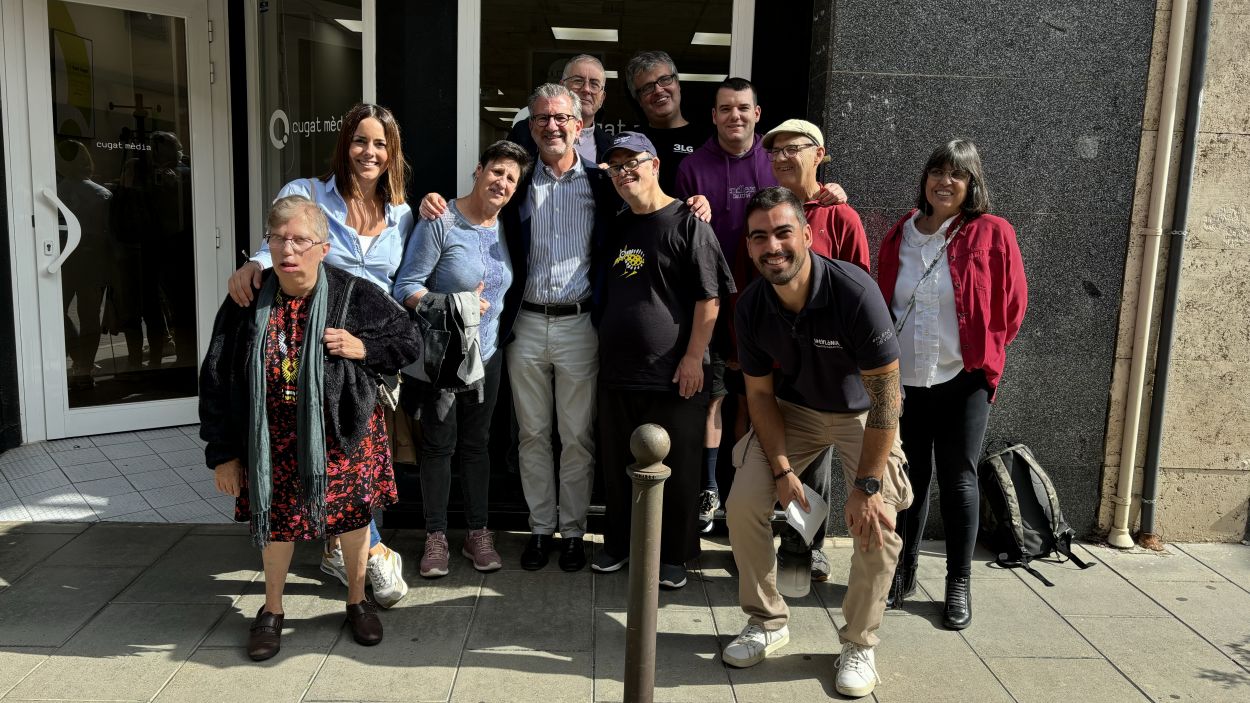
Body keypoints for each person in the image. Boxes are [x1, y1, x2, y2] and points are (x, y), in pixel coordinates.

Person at [200, 196, 420, 661]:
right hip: (272, 441)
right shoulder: (246, 300)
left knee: (354, 521)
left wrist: (363, 348)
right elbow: (216, 375)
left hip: (344, 437)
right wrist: (223, 453)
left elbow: (407, 340)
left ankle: (357, 601)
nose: (288, 250)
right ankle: (272, 610)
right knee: (277, 524)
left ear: (323, 247)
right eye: (278, 239)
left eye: (300, 240)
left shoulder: (352, 293)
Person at [722, 187, 912, 698]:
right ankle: (766, 621)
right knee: (743, 503)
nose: (772, 246)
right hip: (796, 411)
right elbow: (760, 396)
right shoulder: (752, 305)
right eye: (760, 237)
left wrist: (868, 486)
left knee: (878, 519)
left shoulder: (854, 292)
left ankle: (859, 643)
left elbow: (887, 401)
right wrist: (783, 471)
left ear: (807, 235)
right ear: (749, 245)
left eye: (783, 232)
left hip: (863, 414)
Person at [226, 103, 414, 608]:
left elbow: (402, 283)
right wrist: (250, 265)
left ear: (392, 153)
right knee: (314, 444)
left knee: (359, 455)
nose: (369, 152)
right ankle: (365, 553)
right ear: (344, 144)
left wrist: (372, 347)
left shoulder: (401, 213)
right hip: (309, 342)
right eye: (360, 140)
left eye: (380, 144)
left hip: (367, 353)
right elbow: (276, 247)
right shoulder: (307, 193)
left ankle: (351, 549)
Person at [673, 79, 847, 536]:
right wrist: (690, 207)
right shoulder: (693, 167)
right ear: (713, 115)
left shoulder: (789, 180)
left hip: (807, 336)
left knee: (793, 425)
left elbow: (857, 282)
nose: (735, 115)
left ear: (757, 113)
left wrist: (831, 193)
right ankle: (734, 506)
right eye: (725, 108)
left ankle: (802, 537)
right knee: (732, 407)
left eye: (743, 108)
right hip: (730, 309)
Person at [877, 138, 1027, 629]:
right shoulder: (901, 234)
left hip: (964, 376)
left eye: (957, 174)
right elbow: (886, 300)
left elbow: (1013, 305)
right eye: (937, 171)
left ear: (971, 183)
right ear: (925, 178)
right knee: (911, 477)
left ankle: (958, 582)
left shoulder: (992, 232)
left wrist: (985, 353)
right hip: (907, 379)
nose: (945, 182)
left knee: (959, 477)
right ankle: (901, 572)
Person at [591, 132, 734, 588]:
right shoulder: (618, 225)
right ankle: (619, 544)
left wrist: (693, 357)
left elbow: (710, 299)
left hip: (676, 374)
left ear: (655, 165)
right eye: (615, 167)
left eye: (632, 162)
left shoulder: (690, 223)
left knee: (680, 467)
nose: (623, 173)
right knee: (617, 466)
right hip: (618, 372)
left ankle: (674, 554)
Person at [393, 140, 531, 578]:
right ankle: (435, 536)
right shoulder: (441, 221)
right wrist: (455, 305)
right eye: (497, 171)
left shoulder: (507, 227)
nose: (502, 182)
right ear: (478, 170)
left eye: (511, 179)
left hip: (487, 355)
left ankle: (477, 533)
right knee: (439, 446)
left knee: (477, 445)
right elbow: (405, 287)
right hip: (444, 356)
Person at [757, 118, 872, 583]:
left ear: (819, 155)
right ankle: (773, 540)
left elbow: (861, 286)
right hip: (775, 359)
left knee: (819, 463)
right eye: (775, 151)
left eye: (794, 149)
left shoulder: (840, 216)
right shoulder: (766, 211)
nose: (783, 158)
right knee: (777, 455)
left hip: (828, 364)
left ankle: (807, 546)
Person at [623, 50, 708, 195]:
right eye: (648, 87)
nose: (658, 90)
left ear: (678, 84)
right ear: (639, 100)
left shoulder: (707, 140)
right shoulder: (631, 144)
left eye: (665, 79)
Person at [508, 55, 613, 163]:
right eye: (578, 81)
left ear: (602, 98)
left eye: (594, 84)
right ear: (562, 86)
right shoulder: (523, 132)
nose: (586, 89)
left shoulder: (611, 147)